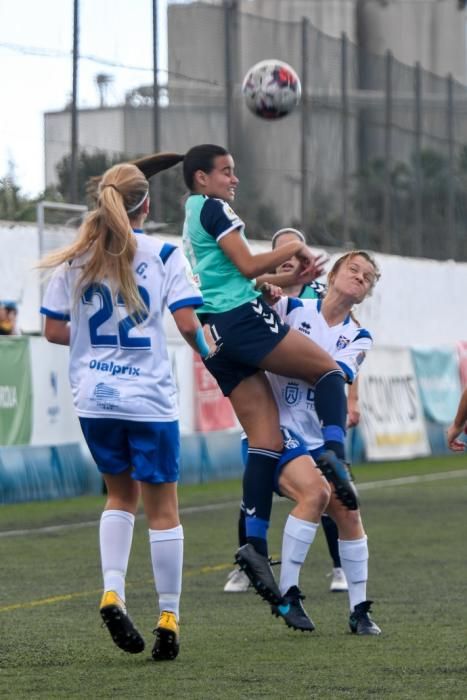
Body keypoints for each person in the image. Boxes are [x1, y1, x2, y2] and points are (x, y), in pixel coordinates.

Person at [39, 156, 215, 662]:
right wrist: (213, 358)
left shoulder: (78, 255)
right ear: (148, 204)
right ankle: (168, 616)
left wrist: (94, 353)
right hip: (149, 399)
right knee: (164, 510)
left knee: (119, 498)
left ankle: (112, 591)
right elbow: (186, 324)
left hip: (95, 398)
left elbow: (53, 329)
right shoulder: (163, 252)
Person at [180, 143, 357, 607]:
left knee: (265, 441)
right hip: (240, 320)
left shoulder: (192, 213)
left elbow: (248, 278)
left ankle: (254, 549)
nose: (233, 180)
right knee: (328, 372)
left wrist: (288, 275)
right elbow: (248, 265)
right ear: (202, 177)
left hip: (215, 334)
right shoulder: (214, 207)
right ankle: (335, 457)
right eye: (226, 172)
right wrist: (294, 246)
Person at [224, 227, 352, 594]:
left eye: (295, 252)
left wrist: (350, 400)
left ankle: (338, 566)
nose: (288, 258)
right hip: (272, 404)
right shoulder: (261, 291)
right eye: (280, 252)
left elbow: (340, 345)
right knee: (258, 479)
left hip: (309, 411)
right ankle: (249, 561)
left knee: (326, 486)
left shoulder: (317, 299)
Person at [264, 250, 382, 634]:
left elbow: (332, 375)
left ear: (365, 295)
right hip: (277, 429)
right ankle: (288, 594)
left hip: (318, 440)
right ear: (332, 275)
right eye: (354, 269)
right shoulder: (292, 308)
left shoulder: (359, 336)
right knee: (315, 494)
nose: (360, 278)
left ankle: (359, 609)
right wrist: (268, 293)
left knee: (348, 511)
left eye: (368, 277)